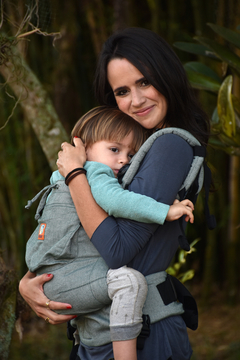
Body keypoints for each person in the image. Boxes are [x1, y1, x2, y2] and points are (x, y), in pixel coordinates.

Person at [19, 27, 210, 360]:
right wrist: (31, 280)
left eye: (145, 82)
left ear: (166, 76)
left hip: (145, 336)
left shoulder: (168, 146)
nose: (135, 100)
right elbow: (75, 231)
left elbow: (118, 250)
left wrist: (76, 174)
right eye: (122, 91)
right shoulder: (131, 151)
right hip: (98, 333)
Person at [25, 105, 194, 360]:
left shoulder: (58, 178)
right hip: (65, 282)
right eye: (115, 149)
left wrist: (25, 279)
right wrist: (165, 211)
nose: (124, 159)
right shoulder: (93, 172)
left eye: (130, 153)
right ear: (83, 147)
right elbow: (116, 202)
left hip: (52, 278)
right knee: (128, 282)